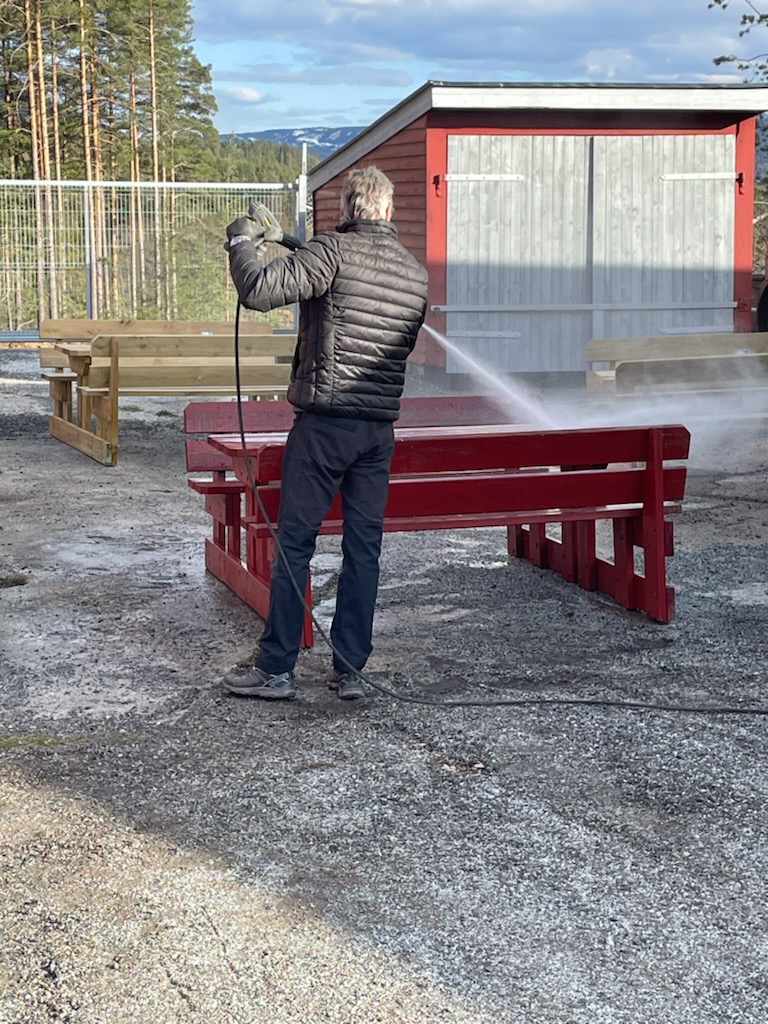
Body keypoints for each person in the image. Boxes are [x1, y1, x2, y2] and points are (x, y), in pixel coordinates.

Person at [222, 166, 429, 701]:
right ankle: (351, 670)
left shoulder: (331, 252)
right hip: (377, 432)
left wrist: (241, 241)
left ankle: (276, 669)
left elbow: (258, 290)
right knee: (364, 549)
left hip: (325, 426)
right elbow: (396, 342)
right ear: (388, 210)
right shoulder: (414, 273)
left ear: (345, 208)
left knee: (295, 543)